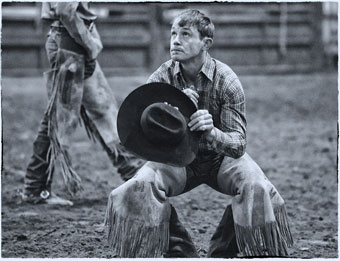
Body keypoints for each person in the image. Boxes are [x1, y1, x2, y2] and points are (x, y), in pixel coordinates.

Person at [105, 9, 293, 257]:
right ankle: (180, 250)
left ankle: (225, 247)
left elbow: (238, 145)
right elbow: (138, 140)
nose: (175, 40)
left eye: (185, 34)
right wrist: (172, 113)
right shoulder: (161, 78)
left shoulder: (227, 81)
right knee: (139, 186)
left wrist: (212, 132)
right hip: (175, 160)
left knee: (256, 186)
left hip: (219, 159)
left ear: (206, 43)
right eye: (173, 33)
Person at [22, 2, 145, 206]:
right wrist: (90, 42)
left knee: (101, 109)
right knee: (62, 117)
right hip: (70, 42)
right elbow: (64, 8)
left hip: (71, 40)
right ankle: (35, 187)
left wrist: (89, 37)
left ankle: (134, 174)